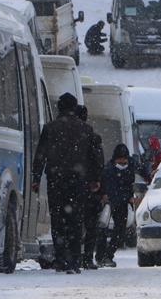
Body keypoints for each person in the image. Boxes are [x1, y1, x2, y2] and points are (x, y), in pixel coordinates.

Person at [33, 93, 103, 274]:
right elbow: (94, 157)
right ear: (74, 107)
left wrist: (36, 178)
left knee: (57, 220)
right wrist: (95, 179)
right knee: (76, 219)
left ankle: (61, 258)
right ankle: (74, 260)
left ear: (59, 107)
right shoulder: (86, 129)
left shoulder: (50, 128)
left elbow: (40, 154)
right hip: (78, 181)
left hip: (56, 180)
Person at [96, 144, 138, 268]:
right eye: (120, 160)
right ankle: (100, 256)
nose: (123, 162)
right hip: (110, 202)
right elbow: (110, 189)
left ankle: (108, 255)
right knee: (102, 229)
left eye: (124, 159)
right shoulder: (108, 170)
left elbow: (141, 170)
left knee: (119, 230)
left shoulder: (131, 164)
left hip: (123, 203)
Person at [76, 105, 105, 270]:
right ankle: (87, 257)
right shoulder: (93, 137)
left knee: (74, 224)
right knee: (91, 226)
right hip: (89, 188)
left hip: (71, 186)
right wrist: (97, 182)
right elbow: (98, 162)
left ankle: (73, 257)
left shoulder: (66, 136)